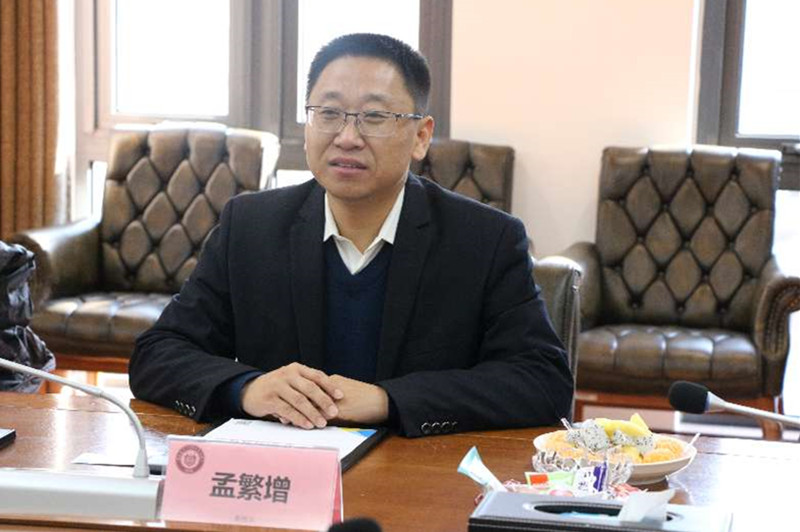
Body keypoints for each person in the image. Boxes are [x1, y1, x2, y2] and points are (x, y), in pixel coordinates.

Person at [129, 33, 573, 437]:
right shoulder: (250, 226)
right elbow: (157, 354)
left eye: (374, 117)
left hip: (418, 478)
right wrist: (246, 389)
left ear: (421, 136)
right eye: (328, 113)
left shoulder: (484, 239)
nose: (346, 137)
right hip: (286, 474)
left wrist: (388, 401)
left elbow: (542, 381)